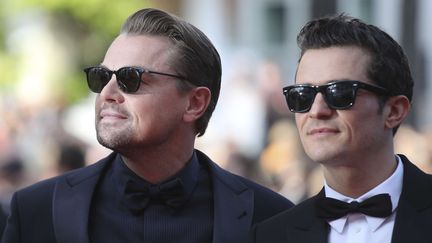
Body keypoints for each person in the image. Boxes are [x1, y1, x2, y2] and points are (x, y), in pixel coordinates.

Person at [2, 8, 293, 243]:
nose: (107, 93)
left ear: (194, 103)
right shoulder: (35, 210)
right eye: (102, 77)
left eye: (130, 78)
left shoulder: (271, 218)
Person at [252, 14, 432, 243]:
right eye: (302, 96)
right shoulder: (270, 236)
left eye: (339, 92)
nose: (317, 111)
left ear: (394, 111)